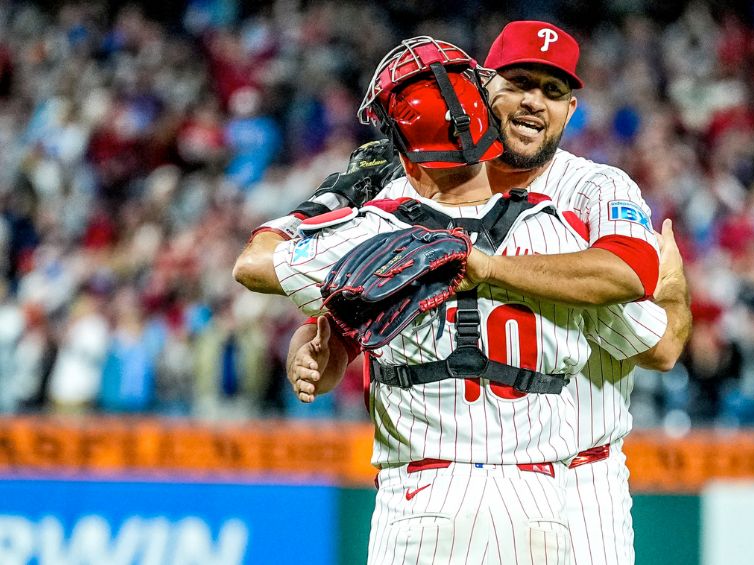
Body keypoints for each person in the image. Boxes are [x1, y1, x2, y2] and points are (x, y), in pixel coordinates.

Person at [237, 36, 668, 563]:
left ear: (404, 155)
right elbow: (656, 338)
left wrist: (333, 198)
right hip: (537, 497)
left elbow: (257, 264)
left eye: (551, 91)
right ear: (483, 108)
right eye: (520, 85)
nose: (533, 101)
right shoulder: (557, 233)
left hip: (428, 495)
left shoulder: (373, 227)